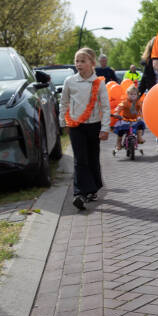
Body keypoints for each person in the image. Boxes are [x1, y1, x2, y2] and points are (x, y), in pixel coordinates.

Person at [59, 47, 110, 210]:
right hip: (75, 126)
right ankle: (79, 194)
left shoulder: (99, 83)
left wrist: (105, 128)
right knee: (80, 159)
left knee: (93, 157)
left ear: (92, 63)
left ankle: (93, 188)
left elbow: (106, 107)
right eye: (77, 61)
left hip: (94, 125)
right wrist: (63, 122)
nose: (79, 64)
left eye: (83, 61)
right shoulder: (70, 81)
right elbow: (64, 102)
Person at [111, 86, 146, 151]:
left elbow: (142, 109)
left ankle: (139, 138)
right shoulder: (124, 102)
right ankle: (119, 143)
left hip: (135, 119)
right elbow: (119, 107)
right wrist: (116, 113)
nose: (133, 96)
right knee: (120, 131)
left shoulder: (138, 102)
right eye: (131, 94)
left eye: (134, 94)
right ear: (127, 95)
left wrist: (142, 115)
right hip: (125, 119)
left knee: (140, 125)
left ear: (137, 95)